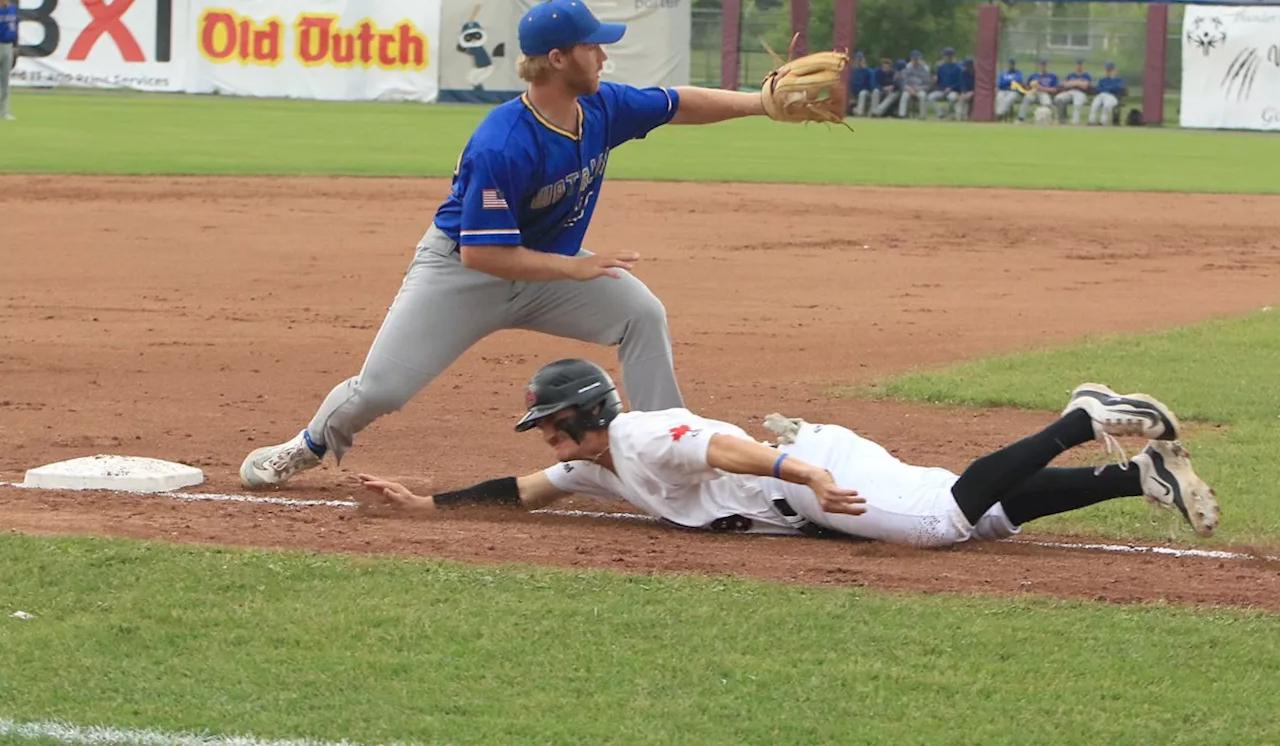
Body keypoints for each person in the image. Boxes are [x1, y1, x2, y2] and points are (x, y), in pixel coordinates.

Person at [240, 0, 780, 488]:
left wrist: (762, 104)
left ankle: (673, 452)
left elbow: (678, 103)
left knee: (641, 314)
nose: (603, 56)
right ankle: (306, 447)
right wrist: (575, 270)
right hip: (462, 275)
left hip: (549, 269)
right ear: (558, 58)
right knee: (381, 390)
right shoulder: (502, 144)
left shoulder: (600, 109)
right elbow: (483, 254)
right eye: (592, 46)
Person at [360, 359, 1221, 546]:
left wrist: (805, 473)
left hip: (806, 480)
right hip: (808, 473)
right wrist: (427, 506)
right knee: (990, 514)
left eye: (551, 423)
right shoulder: (595, 461)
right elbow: (525, 490)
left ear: (585, 413)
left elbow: (724, 447)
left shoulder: (637, 432)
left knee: (942, 523)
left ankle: (1079, 418)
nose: (546, 438)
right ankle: (1130, 474)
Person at [926, 47, 962, 119]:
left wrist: (951, 88)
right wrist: (935, 81)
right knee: (930, 97)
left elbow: (960, 82)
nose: (944, 57)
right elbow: (939, 81)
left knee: (952, 98)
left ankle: (948, 113)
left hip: (953, 91)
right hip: (942, 91)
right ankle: (940, 113)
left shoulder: (959, 68)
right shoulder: (941, 67)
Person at [1054, 58, 1092, 125]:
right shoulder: (1070, 75)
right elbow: (1065, 85)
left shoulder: (1086, 75)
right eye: (1078, 64)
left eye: (1080, 65)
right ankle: (1062, 119)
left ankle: (1075, 123)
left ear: (1083, 66)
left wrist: (1072, 83)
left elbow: (1085, 85)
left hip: (1081, 93)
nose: (1079, 66)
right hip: (1070, 92)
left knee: (1077, 104)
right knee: (1058, 98)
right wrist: (1079, 82)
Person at [0, 0, 17, 122]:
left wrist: (16, 46)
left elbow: (14, 26)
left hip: (7, 45)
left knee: (5, 80)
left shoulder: (12, 7)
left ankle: (4, 111)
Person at [1089, 62, 1126, 126]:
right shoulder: (1102, 80)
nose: (1108, 71)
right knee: (1094, 105)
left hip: (1112, 97)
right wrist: (1108, 89)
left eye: (1110, 70)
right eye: (1107, 70)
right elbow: (1098, 88)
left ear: (1114, 70)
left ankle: (1102, 122)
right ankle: (1091, 121)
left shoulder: (1119, 80)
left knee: (1106, 106)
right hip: (1102, 95)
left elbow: (1118, 89)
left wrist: (1106, 89)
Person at [898, 50, 931, 119]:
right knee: (904, 96)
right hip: (909, 89)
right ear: (911, 59)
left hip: (920, 88)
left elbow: (927, 84)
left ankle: (922, 116)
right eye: (914, 59)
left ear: (920, 59)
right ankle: (902, 115)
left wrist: (917, 89)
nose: (915, 61)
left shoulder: (925, 69)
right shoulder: (906, 68)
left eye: (917, 59)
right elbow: (903, 82)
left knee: (922, 96)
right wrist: (908, 89)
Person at [848, 52, 874, 117]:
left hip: (866, 93)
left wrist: (864, 68)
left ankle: (859, 113)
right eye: (858, 59)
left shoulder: (869, 71)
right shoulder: (852, 71)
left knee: (862, 93)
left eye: (861, 59)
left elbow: (871, 85)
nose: (859, 61)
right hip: (854, 94)